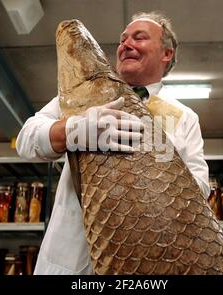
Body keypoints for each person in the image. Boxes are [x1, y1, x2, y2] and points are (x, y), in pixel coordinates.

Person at [16, 11, 209, 275]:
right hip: (72, 263)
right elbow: (26, 140)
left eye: (139, 38)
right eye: (122, 39)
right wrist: (73, 129)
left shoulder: (184, 117)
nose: (126, 44)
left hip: (149, 264)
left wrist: (163, 172)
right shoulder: (83, 93)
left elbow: (199, 190)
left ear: (167, 53)